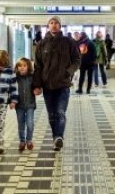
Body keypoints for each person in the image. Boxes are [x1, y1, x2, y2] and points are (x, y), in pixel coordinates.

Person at [32, 16, 80, 151]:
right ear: (48, 26)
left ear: (60, 26)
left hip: (63, 84)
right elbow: (38, 66)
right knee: (51, 113)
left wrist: (68, 72)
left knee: (60, 112)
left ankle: (59, 136)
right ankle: (56, 138)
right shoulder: (41, 44)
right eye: (51, 23)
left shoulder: (68, 42)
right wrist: (37, 85)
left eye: (56, 23)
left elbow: (77, 60)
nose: (54, 25)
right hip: (47, 85)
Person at [14, 57, 36, 151]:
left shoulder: (32, 77)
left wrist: (38, 89)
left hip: (30, 104)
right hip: (19, 105)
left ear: (28, 67)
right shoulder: (15, 77)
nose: (22, 68)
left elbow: (37, 86)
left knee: (30, 123)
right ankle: (22, 141)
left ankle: (29, 140)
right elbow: (11, 90)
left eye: (24, 65)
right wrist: (12, 101)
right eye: (19, 66)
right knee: (21, 123)